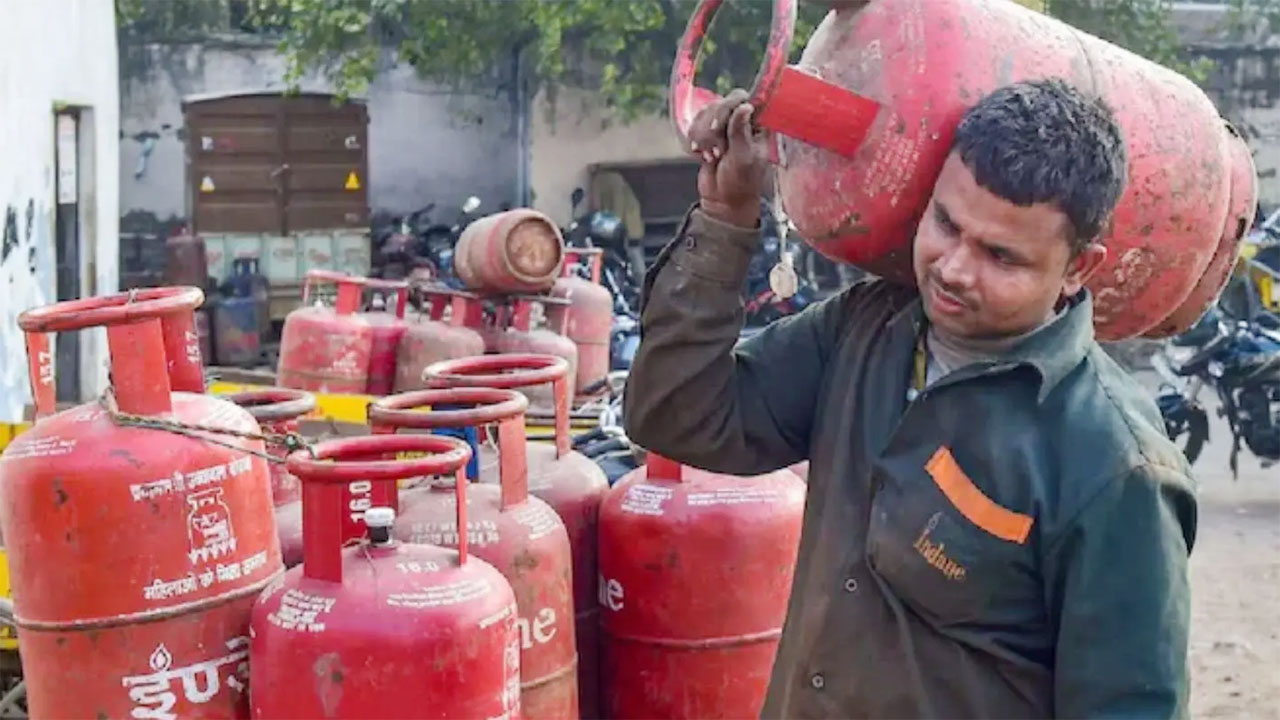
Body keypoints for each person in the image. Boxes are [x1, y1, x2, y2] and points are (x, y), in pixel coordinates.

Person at [622, 79, 1197, 719]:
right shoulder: (867, 331)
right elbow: (675, 417)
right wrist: (726, 218)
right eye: (946, 223)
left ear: (1078, 269)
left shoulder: (1116, 470)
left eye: (1001, 256)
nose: (953, 268)